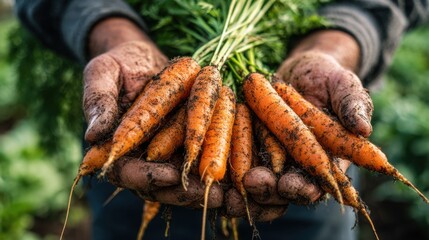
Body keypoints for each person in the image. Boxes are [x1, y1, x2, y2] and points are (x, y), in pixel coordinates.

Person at [14, 1, 429, 240]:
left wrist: (334, 45)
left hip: (304, 184)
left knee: (303, 182)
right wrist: (113, 31)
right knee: (135, 176)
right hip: (134, 163)